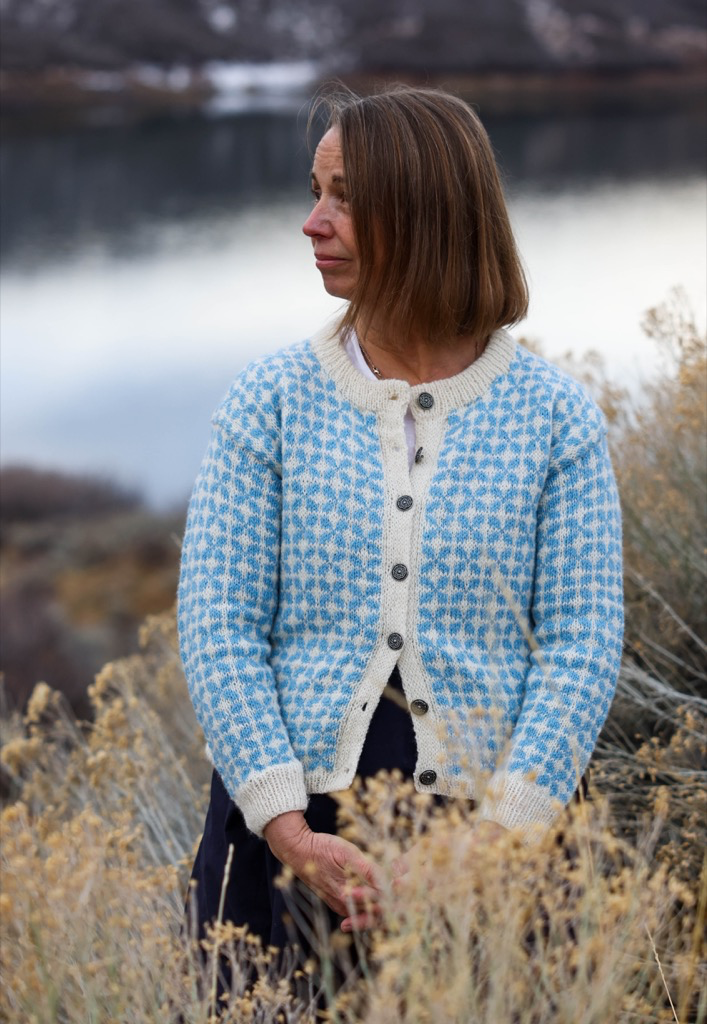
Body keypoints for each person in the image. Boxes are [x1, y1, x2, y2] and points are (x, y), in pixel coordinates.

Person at [178, 85, 623, 980]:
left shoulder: (554, 418)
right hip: (288, 834)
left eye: (345, 198)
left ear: (427, 212)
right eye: (315, 192)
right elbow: (217, 626)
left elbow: (580, 644)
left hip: (502, 844)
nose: (312, 222)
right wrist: (288, 829)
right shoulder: (268, 402)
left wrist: (491, 842)